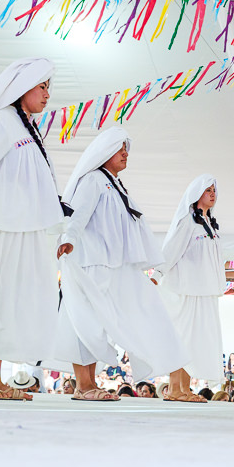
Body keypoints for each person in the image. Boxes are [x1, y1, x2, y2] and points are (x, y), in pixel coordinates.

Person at [55, 127, 188, 401]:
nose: (126, 154)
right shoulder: (93, 180)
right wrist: (68, 239)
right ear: (104, 151)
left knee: (111, 321)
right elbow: (76, 215)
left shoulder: (114, 184)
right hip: (91, 263)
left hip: (115, 265)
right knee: (85, 321)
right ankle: (84, 384)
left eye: (127, 148)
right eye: (120, 148)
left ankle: (92, 382)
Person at [0, 58, 65, 401]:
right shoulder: (2, 121)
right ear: (22, 88)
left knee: (10, 303)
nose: (48, 94)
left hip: (24, 229)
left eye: (49, 87)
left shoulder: (26, 128)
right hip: (2, 227)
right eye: (42, 86)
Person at [151, 174, 224, 403]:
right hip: (184, 289)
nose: (212, 194)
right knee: (181, 338)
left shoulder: (210, 223)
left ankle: (185, 388)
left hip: (203, 291)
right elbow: (170, 249)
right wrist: (157, 275)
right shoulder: (187, 221)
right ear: (196, 194)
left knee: (195, 341)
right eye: (207, 190)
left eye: (214, 190)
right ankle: (174, 389)